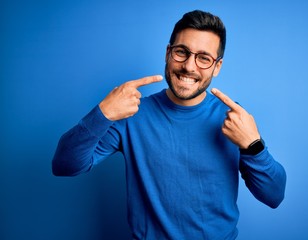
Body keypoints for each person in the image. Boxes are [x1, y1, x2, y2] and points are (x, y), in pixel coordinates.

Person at [52, 10, 286, 240]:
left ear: (217, 66)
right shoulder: (131, 114)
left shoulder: (233, 118)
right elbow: (64, 166)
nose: (189, 67)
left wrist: (253, 145)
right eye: (181, 52)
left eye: (203, 58)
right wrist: (102, 113)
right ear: (168, 53)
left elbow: (274, 196)